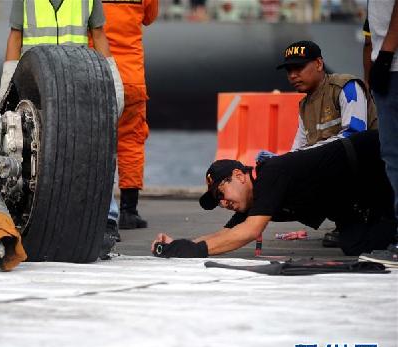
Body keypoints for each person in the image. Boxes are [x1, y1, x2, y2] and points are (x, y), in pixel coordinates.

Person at [0, 0, 125, 258]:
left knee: (96, 147)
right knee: (31, 150)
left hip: (76, 81)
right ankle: (27, 218)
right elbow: (16, 36)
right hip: (36, 83)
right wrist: (8, 81)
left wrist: (113, 77)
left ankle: (107, 219)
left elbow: (98, 34)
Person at [151, 131, 396, 259]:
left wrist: (193, 252)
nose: (223, 203)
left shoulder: (270, 175)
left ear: (239, 175)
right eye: (217, 201)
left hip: (372, 164)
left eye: (221, 193)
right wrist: (179, 245)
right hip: (350, 200)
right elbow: (227, 233)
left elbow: (248, 232)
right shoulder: (252, 198)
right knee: (355, 246)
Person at [264, 40, 378, 248]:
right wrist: (276, 165)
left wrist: (299, 159)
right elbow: (298, 150)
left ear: (318, 64)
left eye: (299, 68)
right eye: (289, 70)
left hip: (370, 170)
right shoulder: (305, 105)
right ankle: (347, 219)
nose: (292, 76)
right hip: (341, 174)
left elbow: (355, 135)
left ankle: (368, 216)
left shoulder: (346, 87)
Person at [102, 0, 158, 232]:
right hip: (131, 79)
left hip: (100, 73)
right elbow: (149, 17)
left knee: (96, 142)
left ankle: (100, 209)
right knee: (131, 142)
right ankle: (128, 210)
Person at [359, 0, 398, 266]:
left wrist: (385, 56)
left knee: (395, 156)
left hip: (395, 66)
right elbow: (368, 39)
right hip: (388, 64)